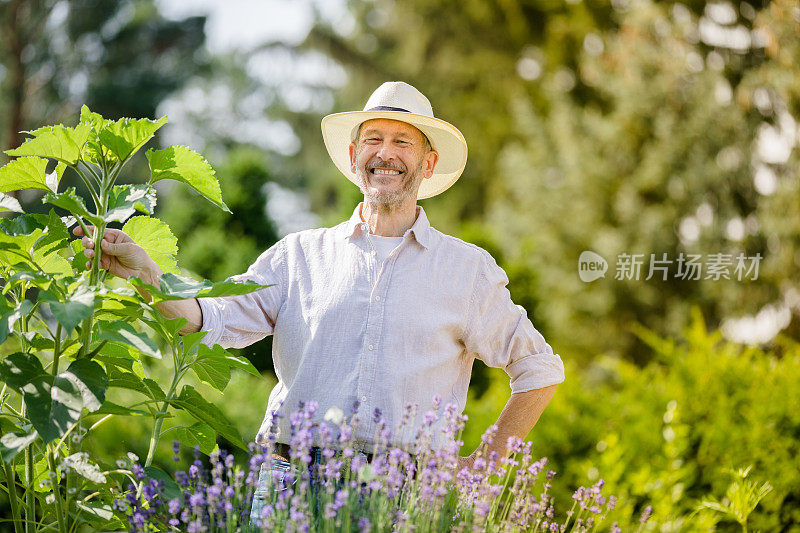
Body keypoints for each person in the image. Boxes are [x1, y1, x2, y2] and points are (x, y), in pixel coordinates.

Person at [74, 81, 565, 507]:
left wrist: (482, 464)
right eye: (373, 139)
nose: (385, 153)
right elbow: (205, 319)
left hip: (409, 493)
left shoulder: (466, 271)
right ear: (354, 158)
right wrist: (144, 273)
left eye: (403, 142)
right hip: (290, 481)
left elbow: (539, 368)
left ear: (428, 162)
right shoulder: (297, 256)